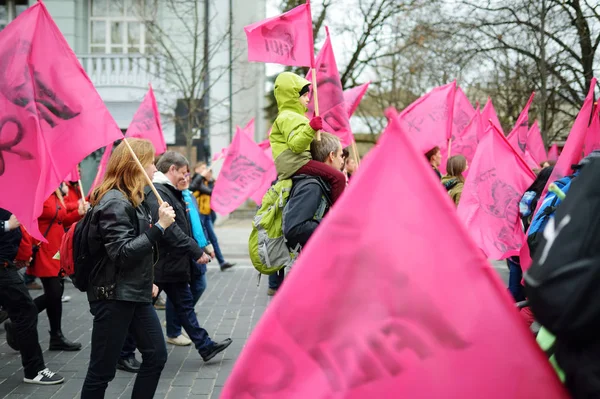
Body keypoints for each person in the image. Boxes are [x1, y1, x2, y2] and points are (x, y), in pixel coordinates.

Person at [81, 138, 173, 398]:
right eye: (151, 162)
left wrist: (147, 280)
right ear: (136, 165)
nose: (155, 169)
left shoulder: (134, 200)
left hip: (133, 291)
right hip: (113, 296)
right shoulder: (114, 202)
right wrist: (160, 227)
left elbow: (136, 250)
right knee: (102, 371)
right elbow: (121, 253)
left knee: (155, 355)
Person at [145, 151, 232, 360]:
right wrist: (195, 250)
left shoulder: (168, 190)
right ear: (172, 169)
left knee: (184, 307)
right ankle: (124, 351)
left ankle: (205, 346)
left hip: (172, 263)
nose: (186, 177)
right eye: (183, 173)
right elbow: (170, 229)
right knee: (140, 310)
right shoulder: (157, 192)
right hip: (161, 263)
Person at [9, 185, 84, 352]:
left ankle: (56, 336)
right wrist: (26, 250)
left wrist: (78, 212)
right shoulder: (38, 193)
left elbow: (60, 220)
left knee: (56, 292)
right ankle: (18, 321)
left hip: (57, 249)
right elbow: (28, 222)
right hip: (43, 249)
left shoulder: (54, 192)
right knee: (54, 293)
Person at [269, 133, 343, 295]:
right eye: (340, 155)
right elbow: (295, 228)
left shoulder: (316, 182)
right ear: (331, 156)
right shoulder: (311, 186)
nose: (342, 161)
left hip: (309, 266)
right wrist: (330, 224)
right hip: (305, 269)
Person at [0, 208, 64, 385]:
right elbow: (11, 224)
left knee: (25, 312)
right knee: (26, 312)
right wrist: (6, 225)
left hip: (7, 264)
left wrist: (23, 253)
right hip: (3, 268)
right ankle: (34, 370)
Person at [270, 71, 346, 203]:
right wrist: (311, 127)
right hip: (295, 164)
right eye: (304, 95)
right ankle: (336, 216)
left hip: (297, 162)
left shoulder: (293, 117)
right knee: (338, 178)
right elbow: (296, 145)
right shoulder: (287, 117)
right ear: (292, 97)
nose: (308, 99)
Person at [164, 168, 211, 344]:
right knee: (178, 293)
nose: (186, 178)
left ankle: (175, 321)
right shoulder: (174, 197)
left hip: (196, 248)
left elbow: (198, 223)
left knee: (198, 286)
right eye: (182, 174)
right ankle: (174, 330)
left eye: (187, 174)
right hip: (184, 251)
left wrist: (207, 245)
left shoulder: (190, 196)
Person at [191, 163, 235, 271]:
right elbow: (208, 191)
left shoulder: (208, 182)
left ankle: (221, 262)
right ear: (196, 170)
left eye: (206, 168)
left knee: (212, 239)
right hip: (199, 214)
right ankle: (201, 263)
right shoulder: (195, 182)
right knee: (203, 239)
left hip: (207, 214)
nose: (206, 170)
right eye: (202, 168)